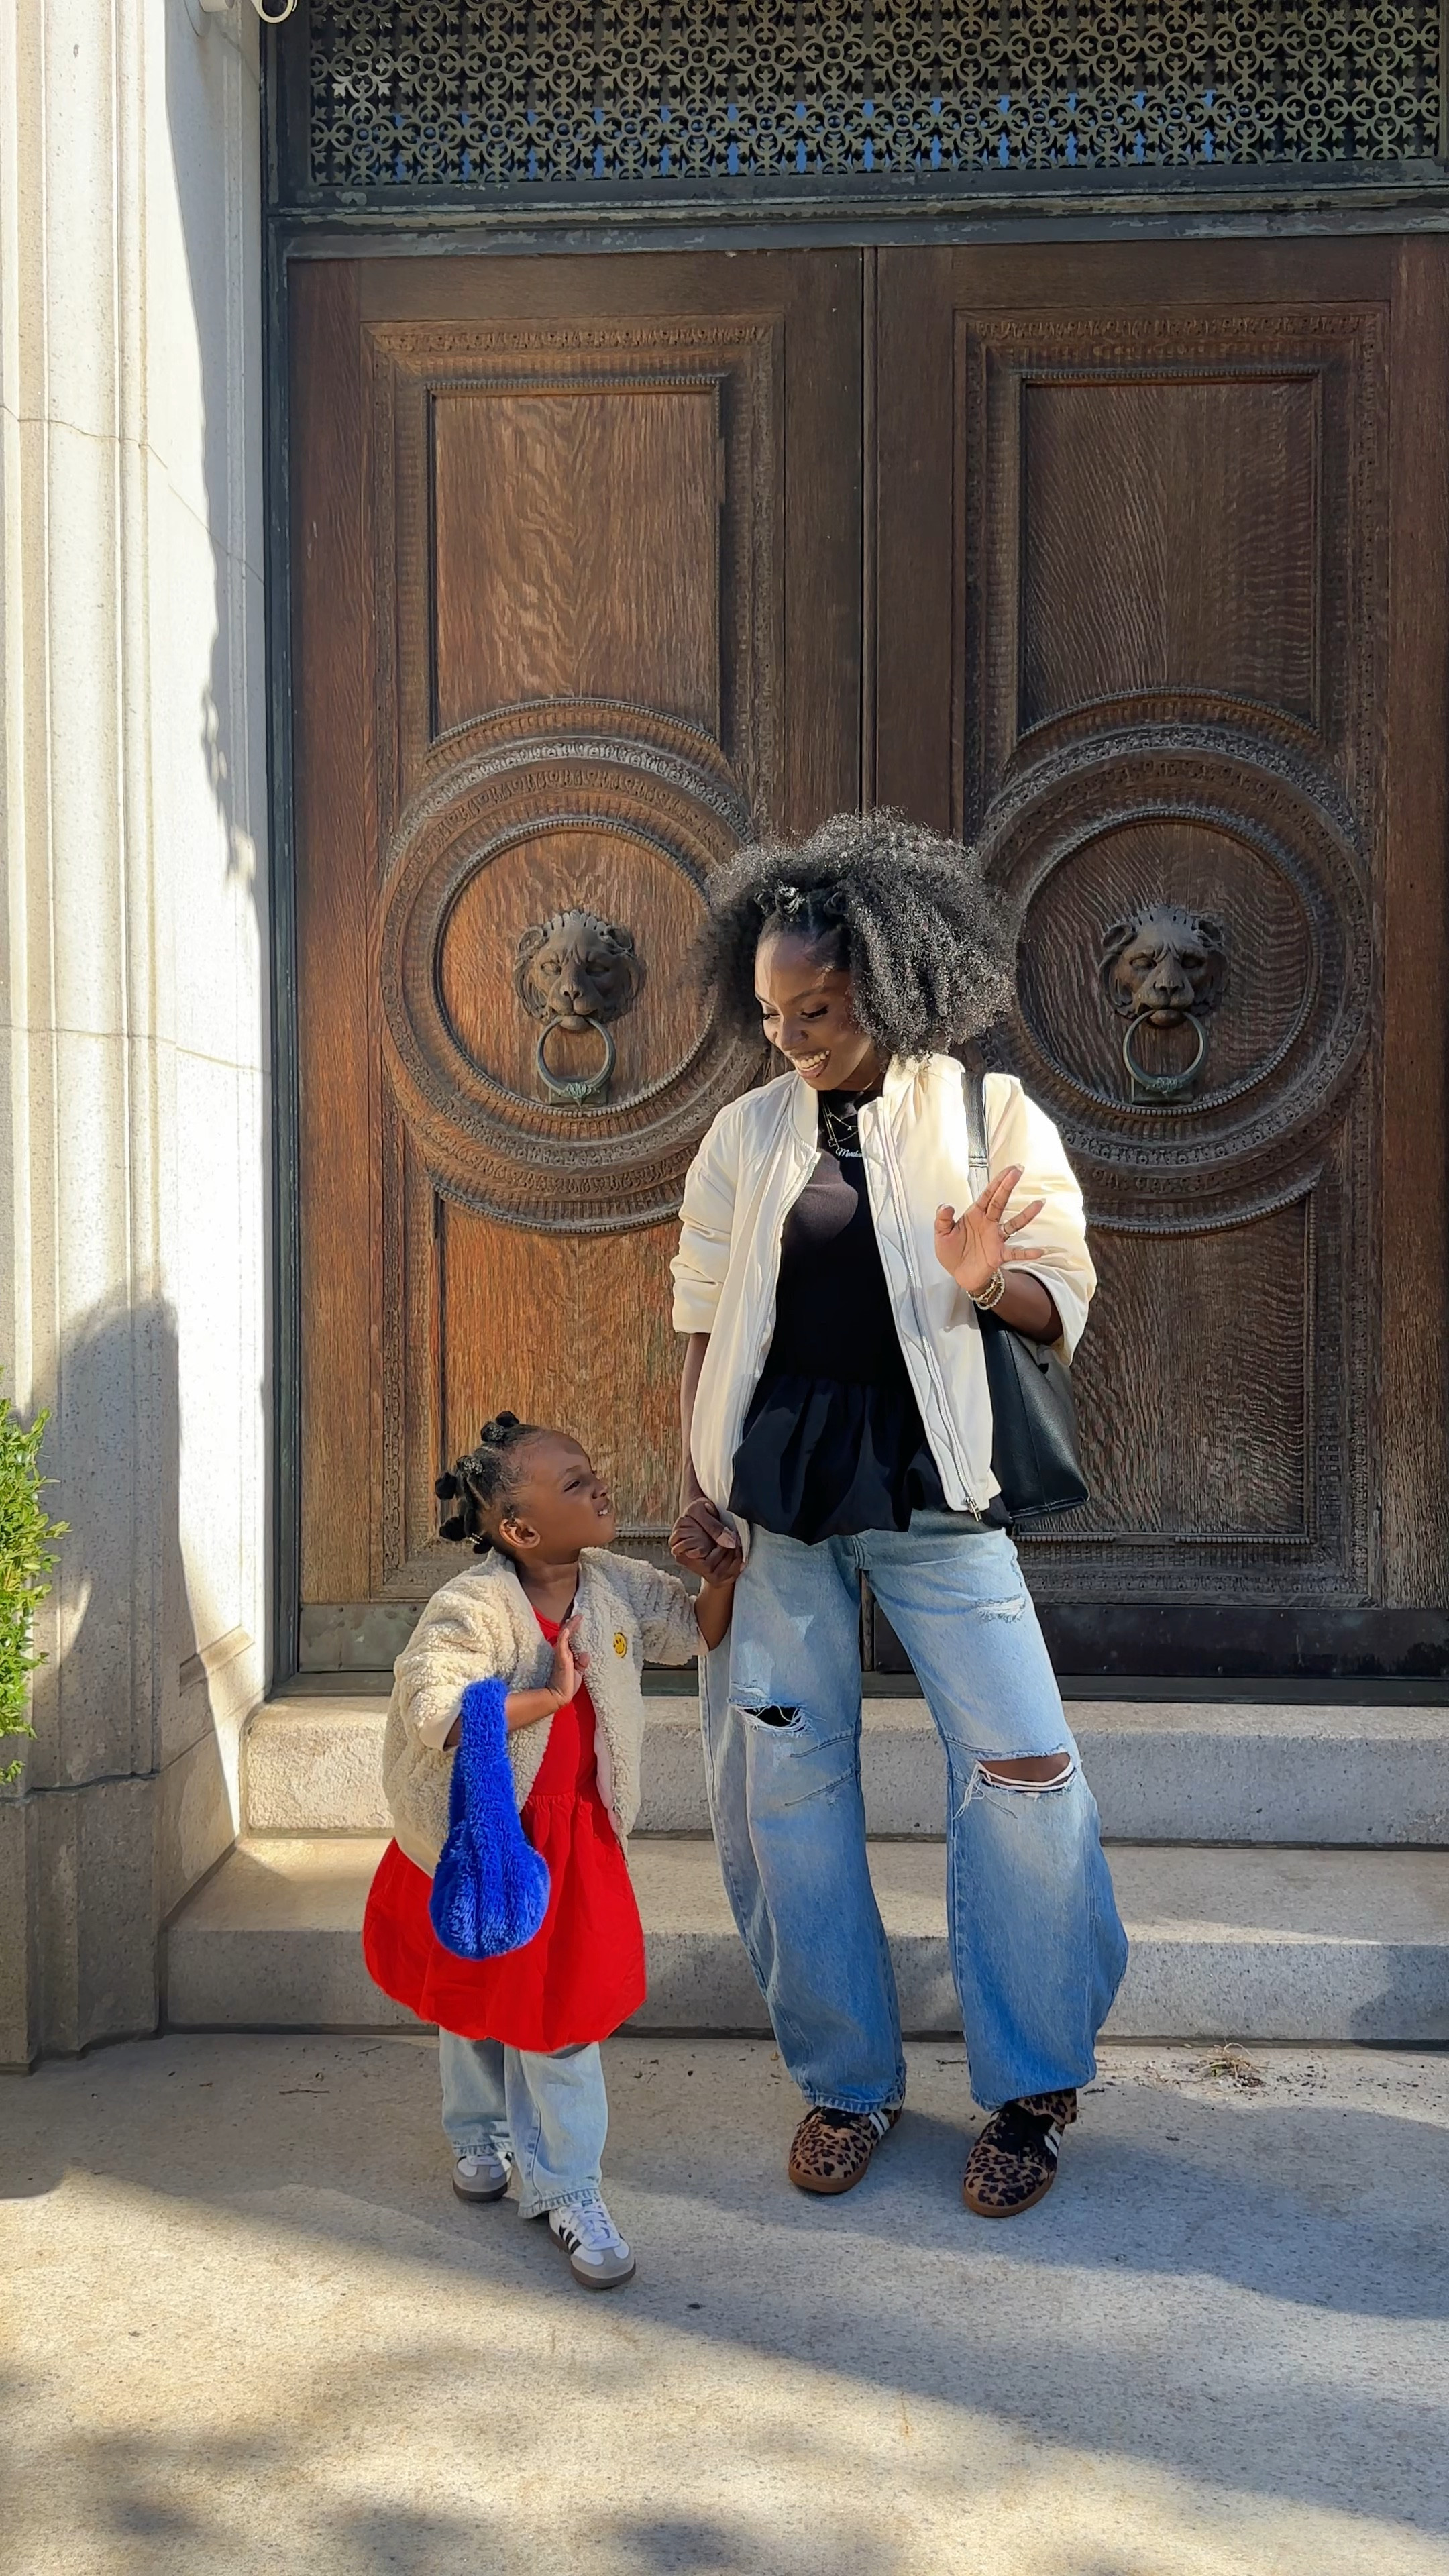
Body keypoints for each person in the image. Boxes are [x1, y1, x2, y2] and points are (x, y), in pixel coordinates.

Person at [668, 814, 1128, 2219]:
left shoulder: (989, 1118)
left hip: (941, 1494)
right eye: (771, 1014)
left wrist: (991, 1278)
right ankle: (848, 2084)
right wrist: (695, 1493)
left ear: (892, 978)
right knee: (787, 1794)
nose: (793, 1036)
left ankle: (1034, 2092)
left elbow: (1061, 1301)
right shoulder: (745, 1135)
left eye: (818, 1007)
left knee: (1027, 1775)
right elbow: (698, 1320)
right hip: (783, 1503)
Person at [364, 1412, 739, 2288]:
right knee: (473, 1999)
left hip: (576, 1846)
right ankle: (481, 2137)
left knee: (561, 2022)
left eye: (592, 1470)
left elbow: (691, 1633)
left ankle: (567, 2185)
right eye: (575, 1483)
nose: (600, 1487)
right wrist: (545, 1696)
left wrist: (716, 1580)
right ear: (520, 1530)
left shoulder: (612, 1584)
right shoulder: (473, 1607)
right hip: (493, 1839)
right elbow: (436, 1710)